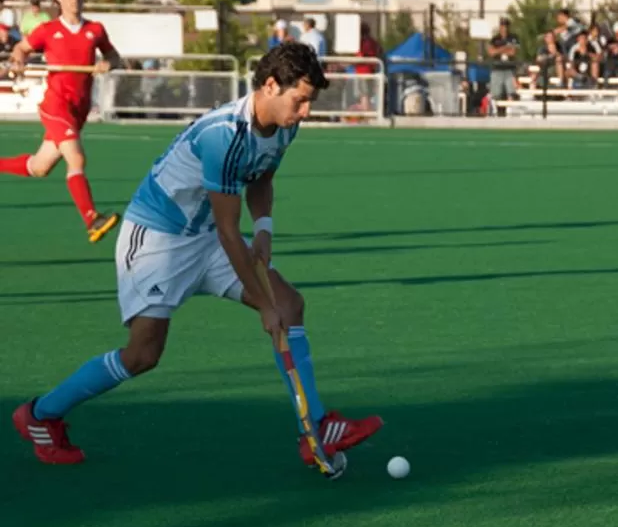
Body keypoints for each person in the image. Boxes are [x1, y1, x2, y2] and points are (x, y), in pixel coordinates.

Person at [12, 42, 384, 469]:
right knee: (143, 354)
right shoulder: (223, 136)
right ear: (269, 85)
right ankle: (40, 415)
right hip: (156, 240)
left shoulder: (284, 124)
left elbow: (261, 178)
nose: (305, 113)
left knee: (290, 304)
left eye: (309, 103)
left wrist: (264, 229)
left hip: (205, 235)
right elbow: (229, 231)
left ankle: (316, 427)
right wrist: (263, 306)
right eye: (300, 101)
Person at [0, 0, 125, 243]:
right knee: (77, 159)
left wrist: (108, 64)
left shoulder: (95, 30)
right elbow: (20, 49)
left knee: (39, 167)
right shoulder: (47, 31)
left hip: (79, 109)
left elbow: (115, 56)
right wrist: (19, 60)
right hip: (56, 105)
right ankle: (92, 219)